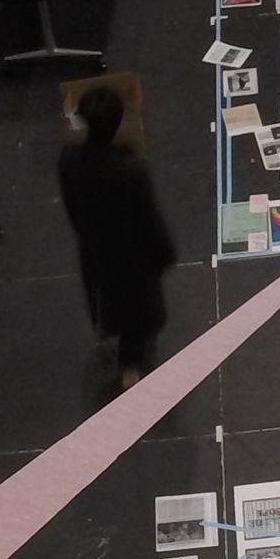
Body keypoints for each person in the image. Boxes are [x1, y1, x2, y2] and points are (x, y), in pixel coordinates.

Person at [58, 84, 176, 387]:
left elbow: (73, 209)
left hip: (95, 250)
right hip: (132, 258)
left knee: (112, 306)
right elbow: (150, 220)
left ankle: (127, 358)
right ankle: (130, 370)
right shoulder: (132, 171)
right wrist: (165, 254)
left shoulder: (69, 160)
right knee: (142, 317)